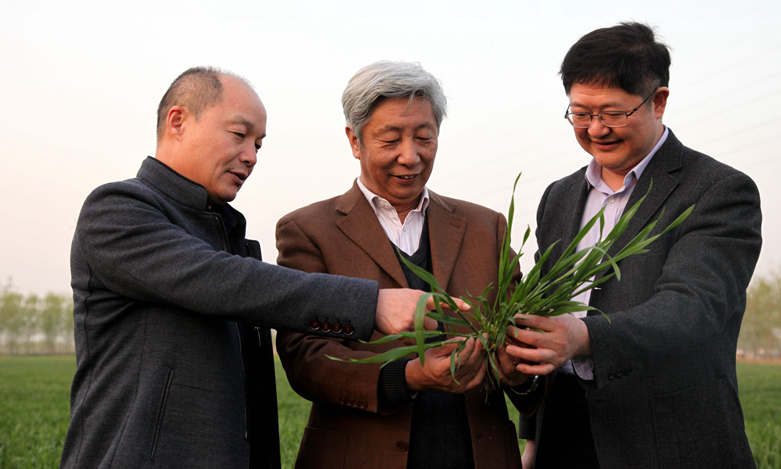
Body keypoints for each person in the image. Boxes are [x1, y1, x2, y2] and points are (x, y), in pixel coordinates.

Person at [59, 66, 449, 469]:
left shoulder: (225, 232)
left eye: (258, 144)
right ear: (178, 121)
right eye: (238, 134)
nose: (251, 156)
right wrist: (372, 304)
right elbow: (220, 279)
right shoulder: (117, 211)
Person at [505, 22, 762, 469]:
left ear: (658, 101)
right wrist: (532, 440)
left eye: (613, 113)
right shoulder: (559, 197)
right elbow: (545, 319)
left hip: (666, 442)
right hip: (564, 439)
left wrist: (585, 337)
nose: (596, 129)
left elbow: (692, 307)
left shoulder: (717, 190)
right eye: (581, 113)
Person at [275, 61, 537, 469]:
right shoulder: (309, 230)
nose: (410, 156)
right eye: (391, 139)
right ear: (355, 140)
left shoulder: (486, 227)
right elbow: (305, 357)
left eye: (424, 137)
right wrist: (408, 376)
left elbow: (523, 341)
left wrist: (519, 371)